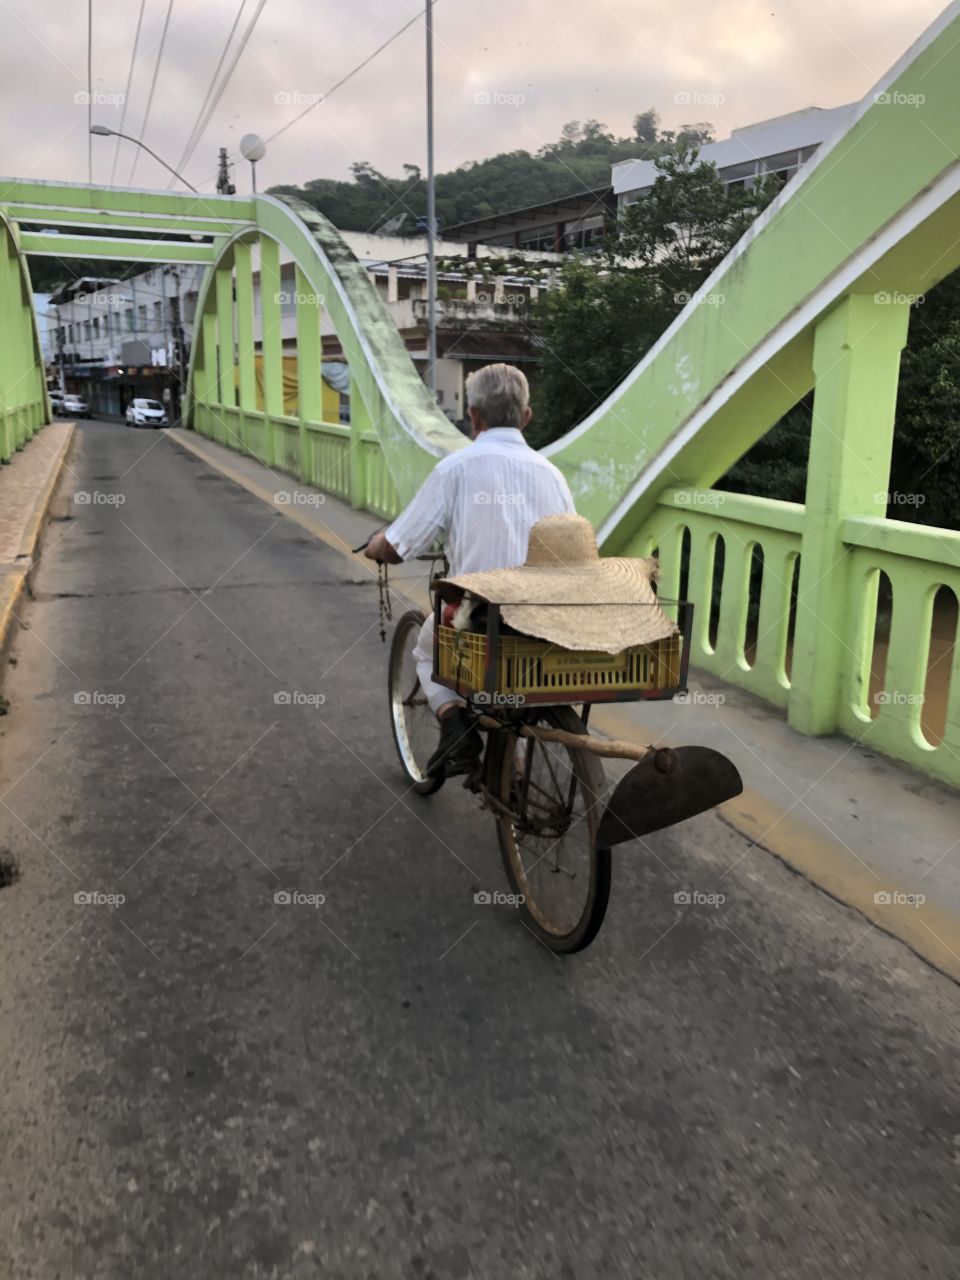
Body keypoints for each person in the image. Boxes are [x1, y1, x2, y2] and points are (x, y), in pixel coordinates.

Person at [364, 362, 574, 777]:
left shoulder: (456, 469)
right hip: (548, 617)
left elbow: (399, 545)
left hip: (482, 618)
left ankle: (456, 727)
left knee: (426, 650)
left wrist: (377, 547)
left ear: (473, 416)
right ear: (527, 417)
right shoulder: (553, 476)